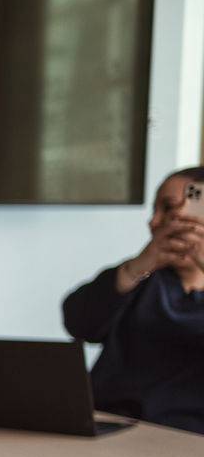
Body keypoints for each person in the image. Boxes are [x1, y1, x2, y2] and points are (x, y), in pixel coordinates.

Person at [63, 166, 204, 434]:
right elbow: (79, 324)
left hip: (188, 439)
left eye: (169, 209)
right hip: (110, 426)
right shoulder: (137, 280)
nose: (154, 222)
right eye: (154, 210)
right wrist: (137, 266)